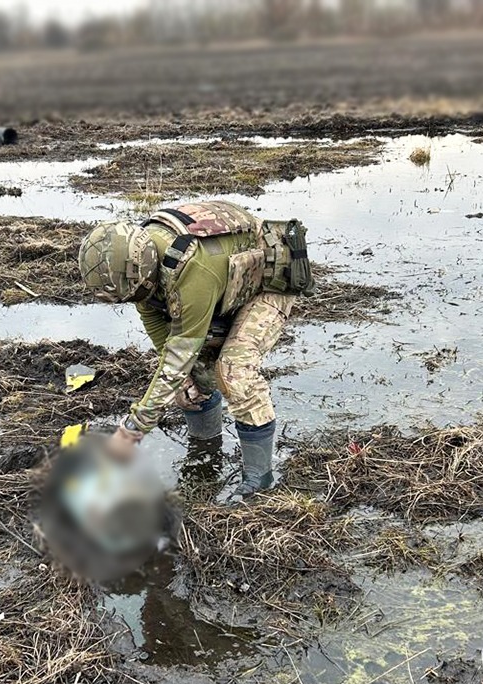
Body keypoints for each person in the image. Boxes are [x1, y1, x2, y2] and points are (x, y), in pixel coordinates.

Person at [78, 200, 313, 498]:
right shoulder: (138, 264)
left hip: (267, 281)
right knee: (188, 380)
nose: (133, 299)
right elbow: (155, 322)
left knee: (234, 372)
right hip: (224, 282)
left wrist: (131, 431)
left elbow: (178, 357)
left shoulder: (190, 268)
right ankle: (205, 448)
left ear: (144, 268)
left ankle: (259, 478)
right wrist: (183, 379)